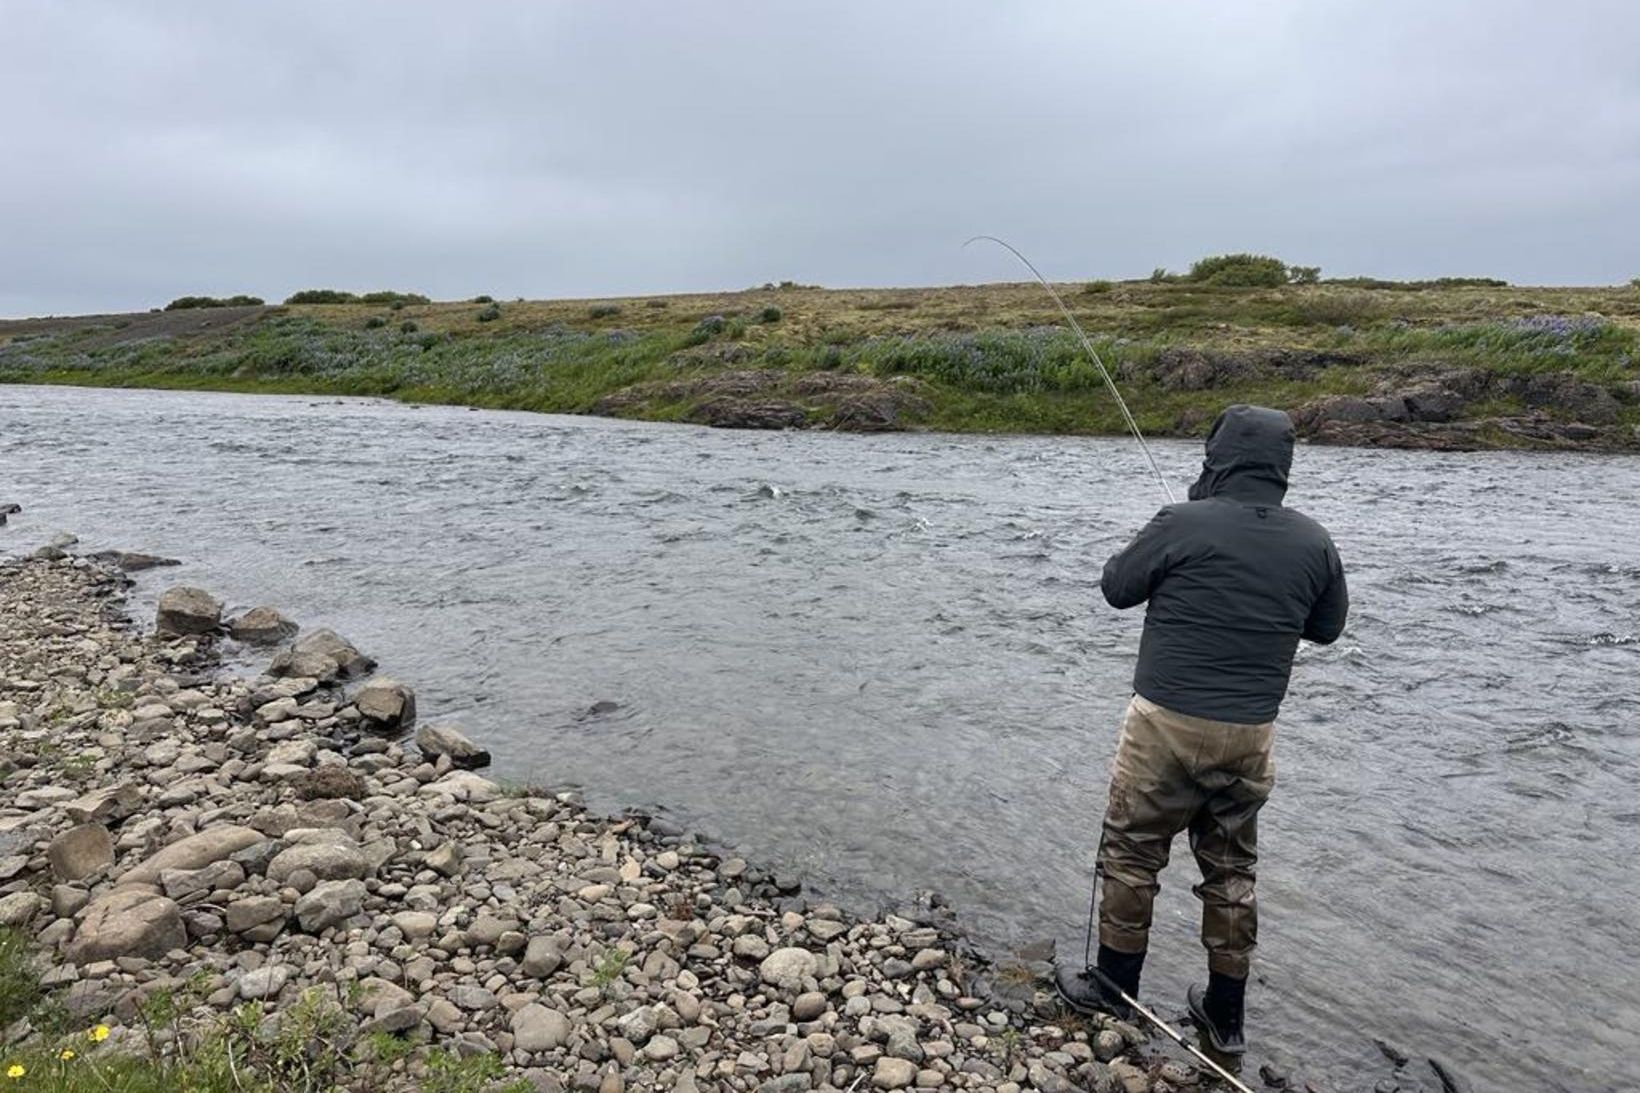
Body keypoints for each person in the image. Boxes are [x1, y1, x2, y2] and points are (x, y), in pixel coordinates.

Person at [1055, 404, 1349, 1055]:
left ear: (1217, 457)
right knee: (1231, 867)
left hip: (1163, 722)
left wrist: (1188, 520)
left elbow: (1115, 585)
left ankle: (1114, 982)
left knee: (1133, 850)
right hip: (1250, 734)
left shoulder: (1180, 521)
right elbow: (1326, 628)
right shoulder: (1315, 540)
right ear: (1282, 467)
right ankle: (1226, 1014)